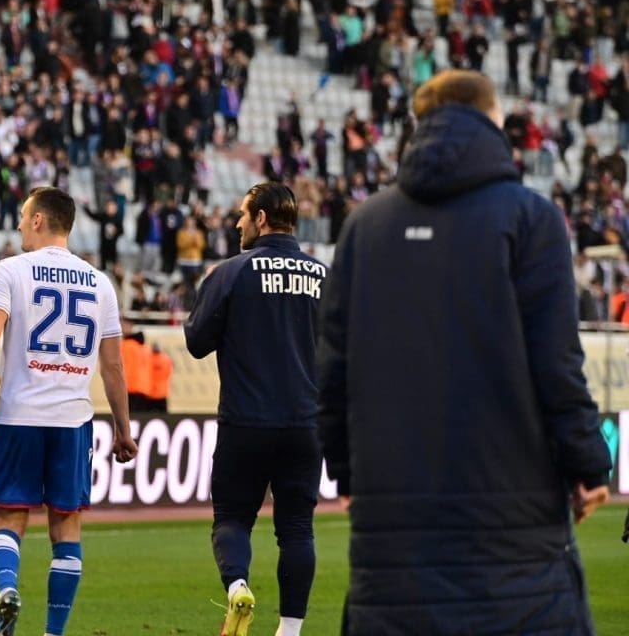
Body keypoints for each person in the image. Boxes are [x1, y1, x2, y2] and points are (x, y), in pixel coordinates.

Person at [317, 69, 612, 635]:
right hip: (513, 527)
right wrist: (586, 461)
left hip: (391, 528)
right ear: (493, 120)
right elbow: (556, 362)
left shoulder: (364, 226)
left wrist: (347, 473)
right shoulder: (531, 219)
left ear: (418, 124)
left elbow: (332, 372)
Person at [0, 186, 137, 636]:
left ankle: (8, 589)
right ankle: (53, 632)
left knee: (7, 521)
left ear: (38, 220)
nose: (17, 225)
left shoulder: (9, 271)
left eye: (23, 216)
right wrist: (123, 429)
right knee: (66, 529)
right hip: (73, 422)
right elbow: (112, 366)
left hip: (20, 418)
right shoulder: (99, 282)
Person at [184, 181, 325, 636]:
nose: (238, 224)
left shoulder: (231, 272)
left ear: (261, 218)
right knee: (298, 529)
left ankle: (238, 586)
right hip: (306, 423)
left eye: (243, 215)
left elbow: (196, 341)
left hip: (245, 421)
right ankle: (289, 631)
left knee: (232, 518)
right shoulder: (324, 277)